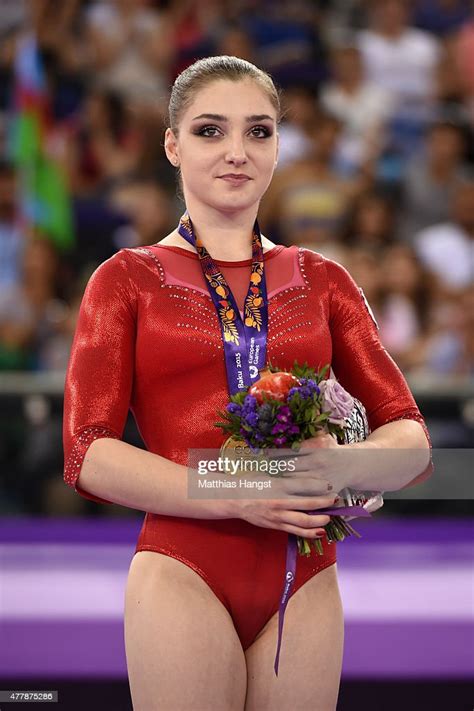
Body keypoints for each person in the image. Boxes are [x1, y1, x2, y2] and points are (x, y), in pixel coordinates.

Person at [62, 56, 432, 711]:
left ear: (278, 146)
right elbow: (86, 450)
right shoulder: (126, 279)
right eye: (210, 131)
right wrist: (239, 490)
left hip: (305, 572)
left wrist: (344, 464)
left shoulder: (322, 278)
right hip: (186, 565)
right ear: (172, 145)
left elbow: (413, 440)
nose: (237, 151)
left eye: (258, 131)